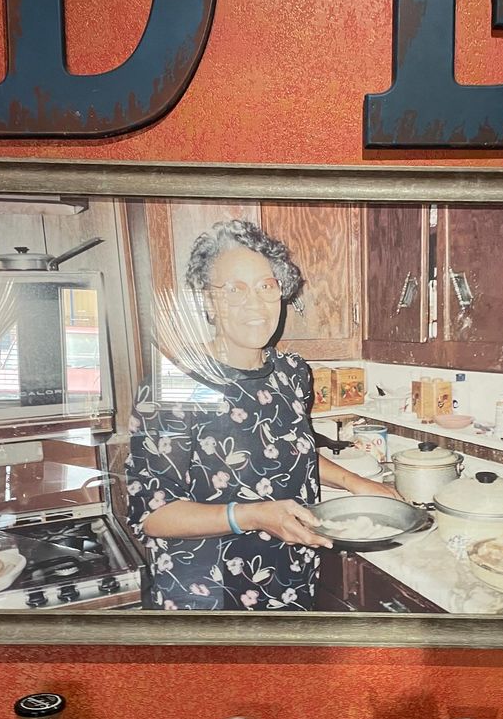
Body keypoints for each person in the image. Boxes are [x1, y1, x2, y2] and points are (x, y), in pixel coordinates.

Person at [126, 219, 399, 611]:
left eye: (266, 287)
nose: (254, 304)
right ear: (208, 302)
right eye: (234, 289)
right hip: (207, 592)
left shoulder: (291, 372)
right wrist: (254, 516)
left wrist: (359, 484)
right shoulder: (178, 383)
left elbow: (290, 451)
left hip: (291, 577)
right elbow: (153, 515)